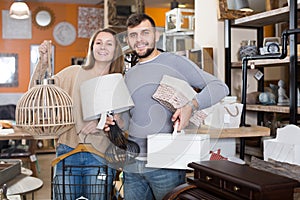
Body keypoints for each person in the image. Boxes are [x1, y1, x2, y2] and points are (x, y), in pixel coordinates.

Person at [105, 13, 229, 200]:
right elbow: (130, 120)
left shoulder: (174, 62)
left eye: (145, 33)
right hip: (133, 165)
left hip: (166, 165)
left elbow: (219, 87)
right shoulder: (130, 74)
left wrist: (191, 106)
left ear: (156, 35)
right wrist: (116, 122)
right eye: (133, 35)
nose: (139, 40)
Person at [30, 28, 124, 200]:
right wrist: (43, 62)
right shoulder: (73, 73)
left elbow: (124, 120)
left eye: (109, 43)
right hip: (68, 152)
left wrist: (105, 121)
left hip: (101, 155)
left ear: (116, 50)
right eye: (98, 42)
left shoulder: (119, 80)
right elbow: (38, 92)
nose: (103, 47)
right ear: (92, 47)